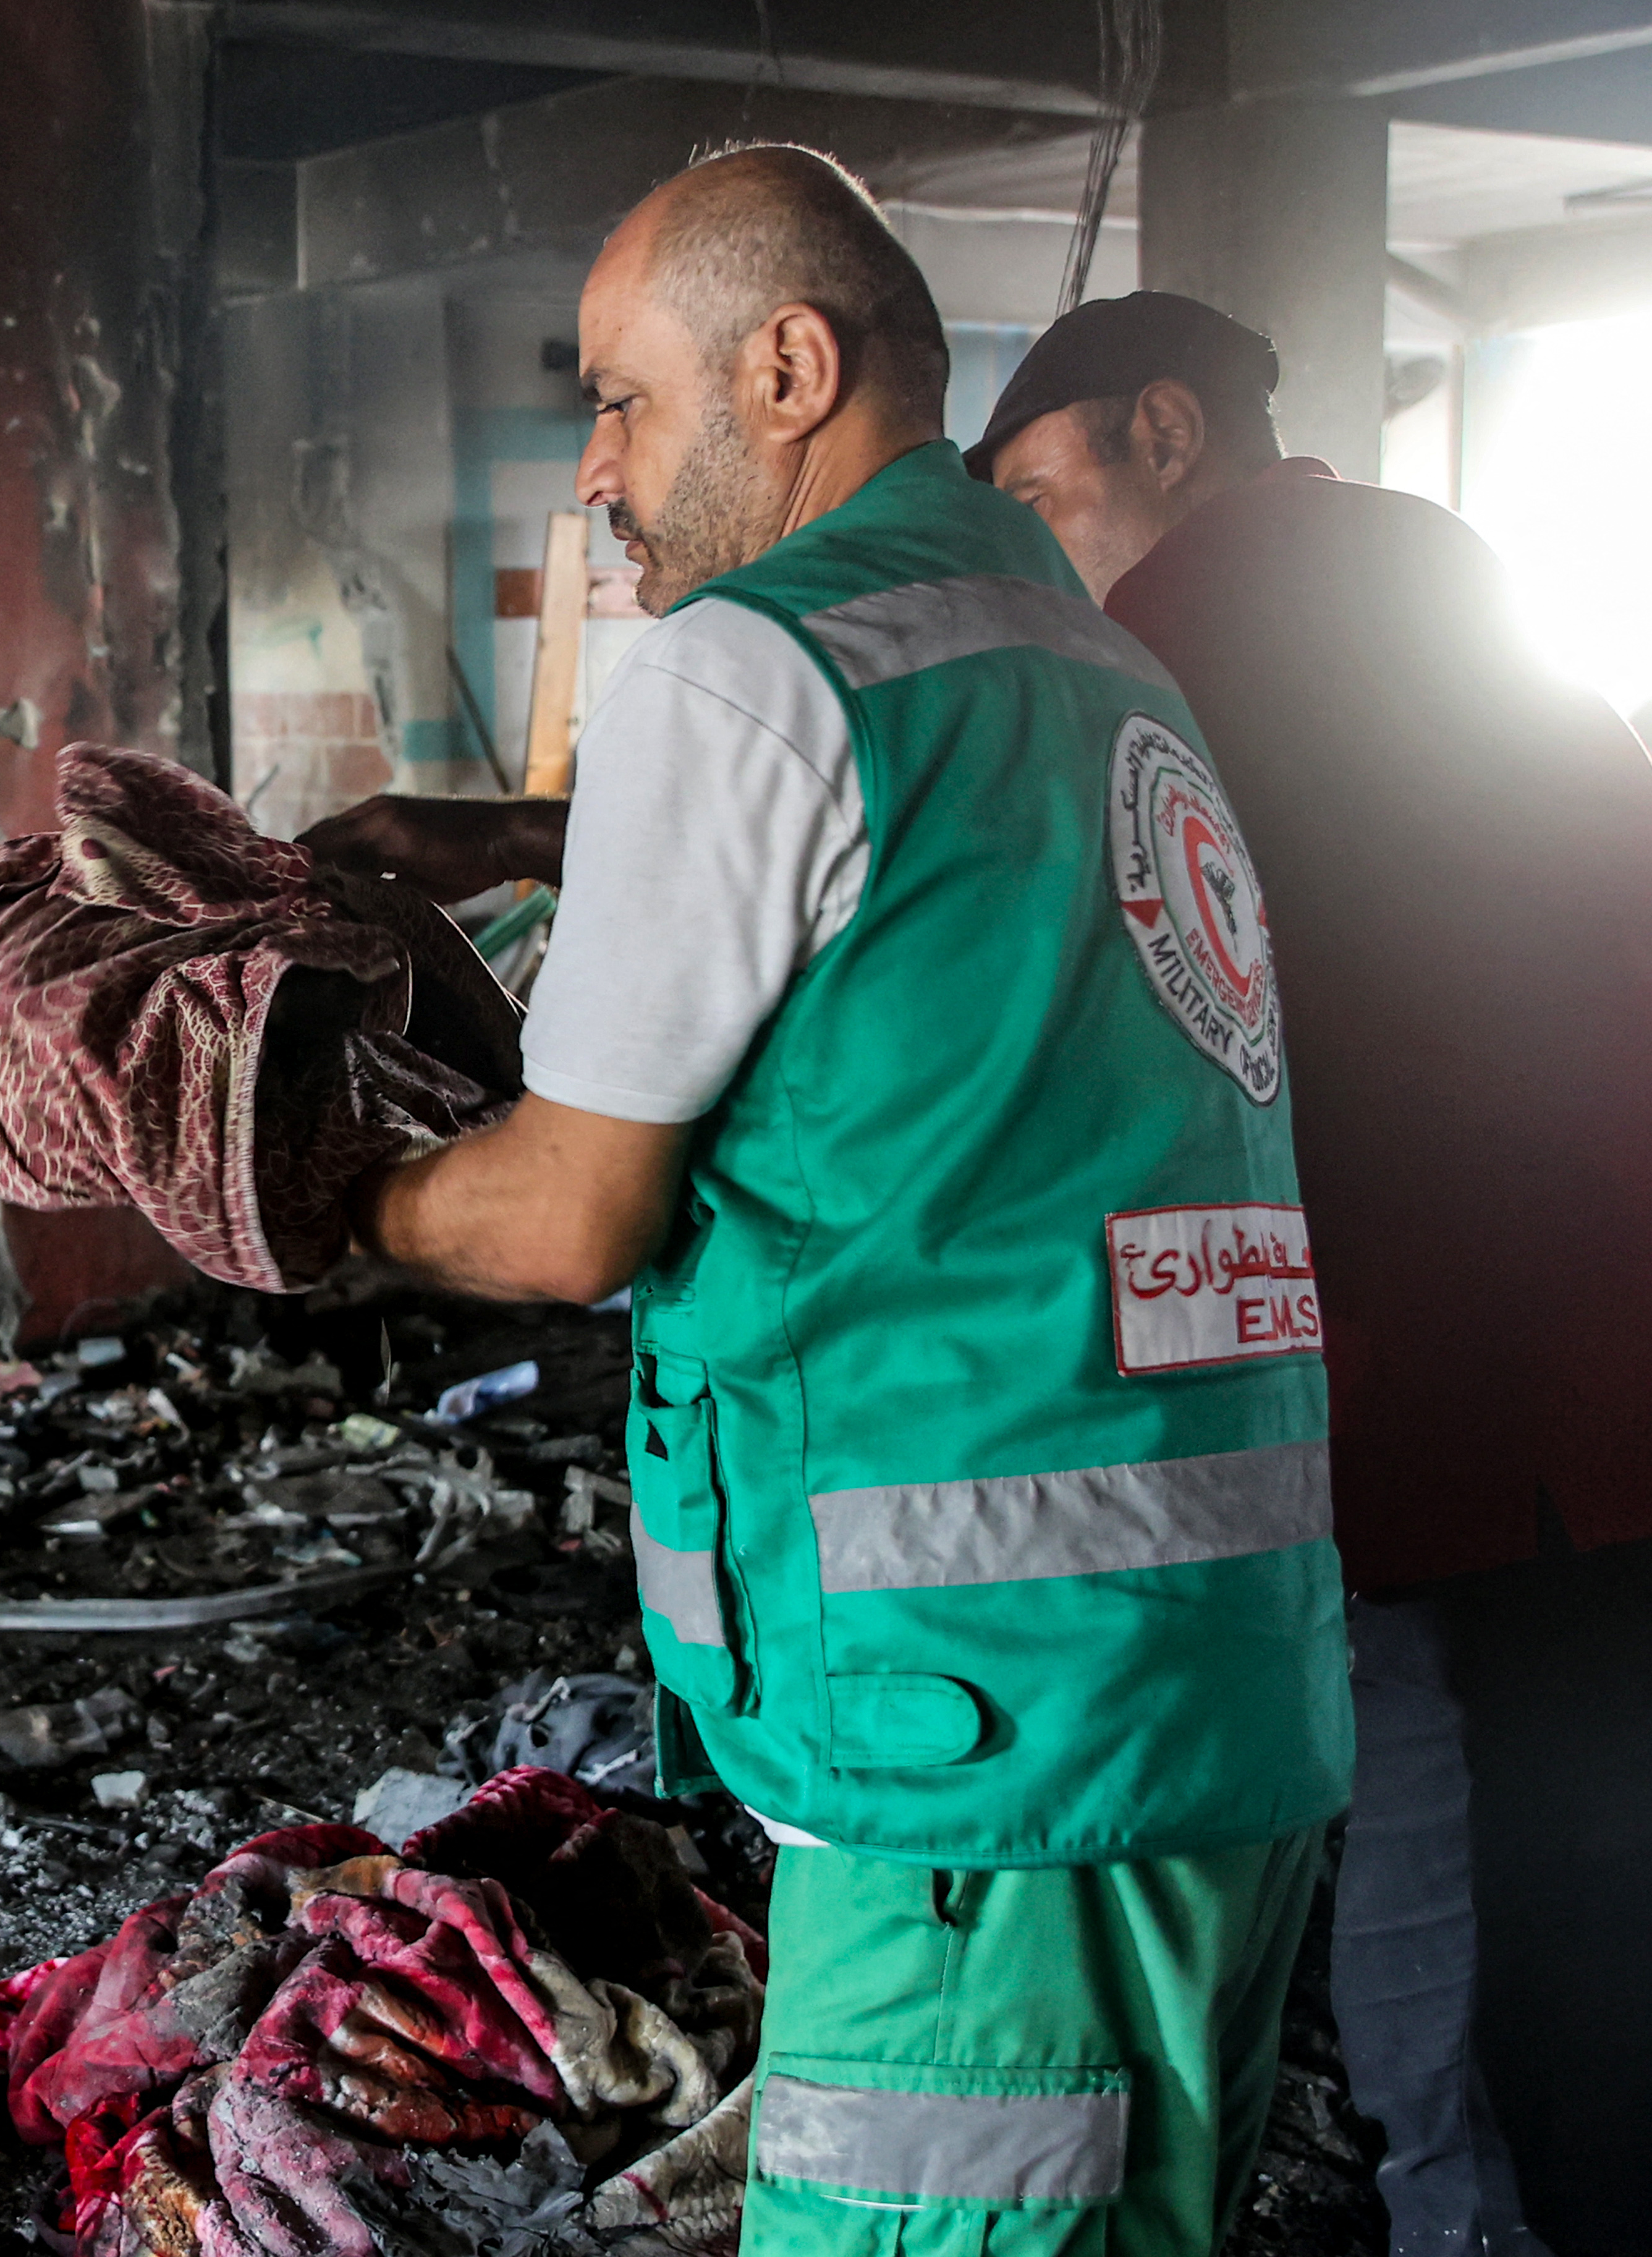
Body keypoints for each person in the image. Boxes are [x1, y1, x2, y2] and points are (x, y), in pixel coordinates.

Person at [307, 148, 1350, 2253]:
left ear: (786, 365)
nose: (597, 466)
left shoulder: (736, 666)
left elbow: (566, 1216)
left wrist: (298, 1195)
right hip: (1210, 1704)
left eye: (622, 397)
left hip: (973, 1750)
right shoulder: (1089, 662)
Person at [968, 292, 1652, 2257]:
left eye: (1040, 500)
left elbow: (931, 824)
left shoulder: (1240, 616)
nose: (1037, 573)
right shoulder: (1408, 593)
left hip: (1578, 1462)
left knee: (1548, 2086)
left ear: (1165, 433)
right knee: (1611, 2045)